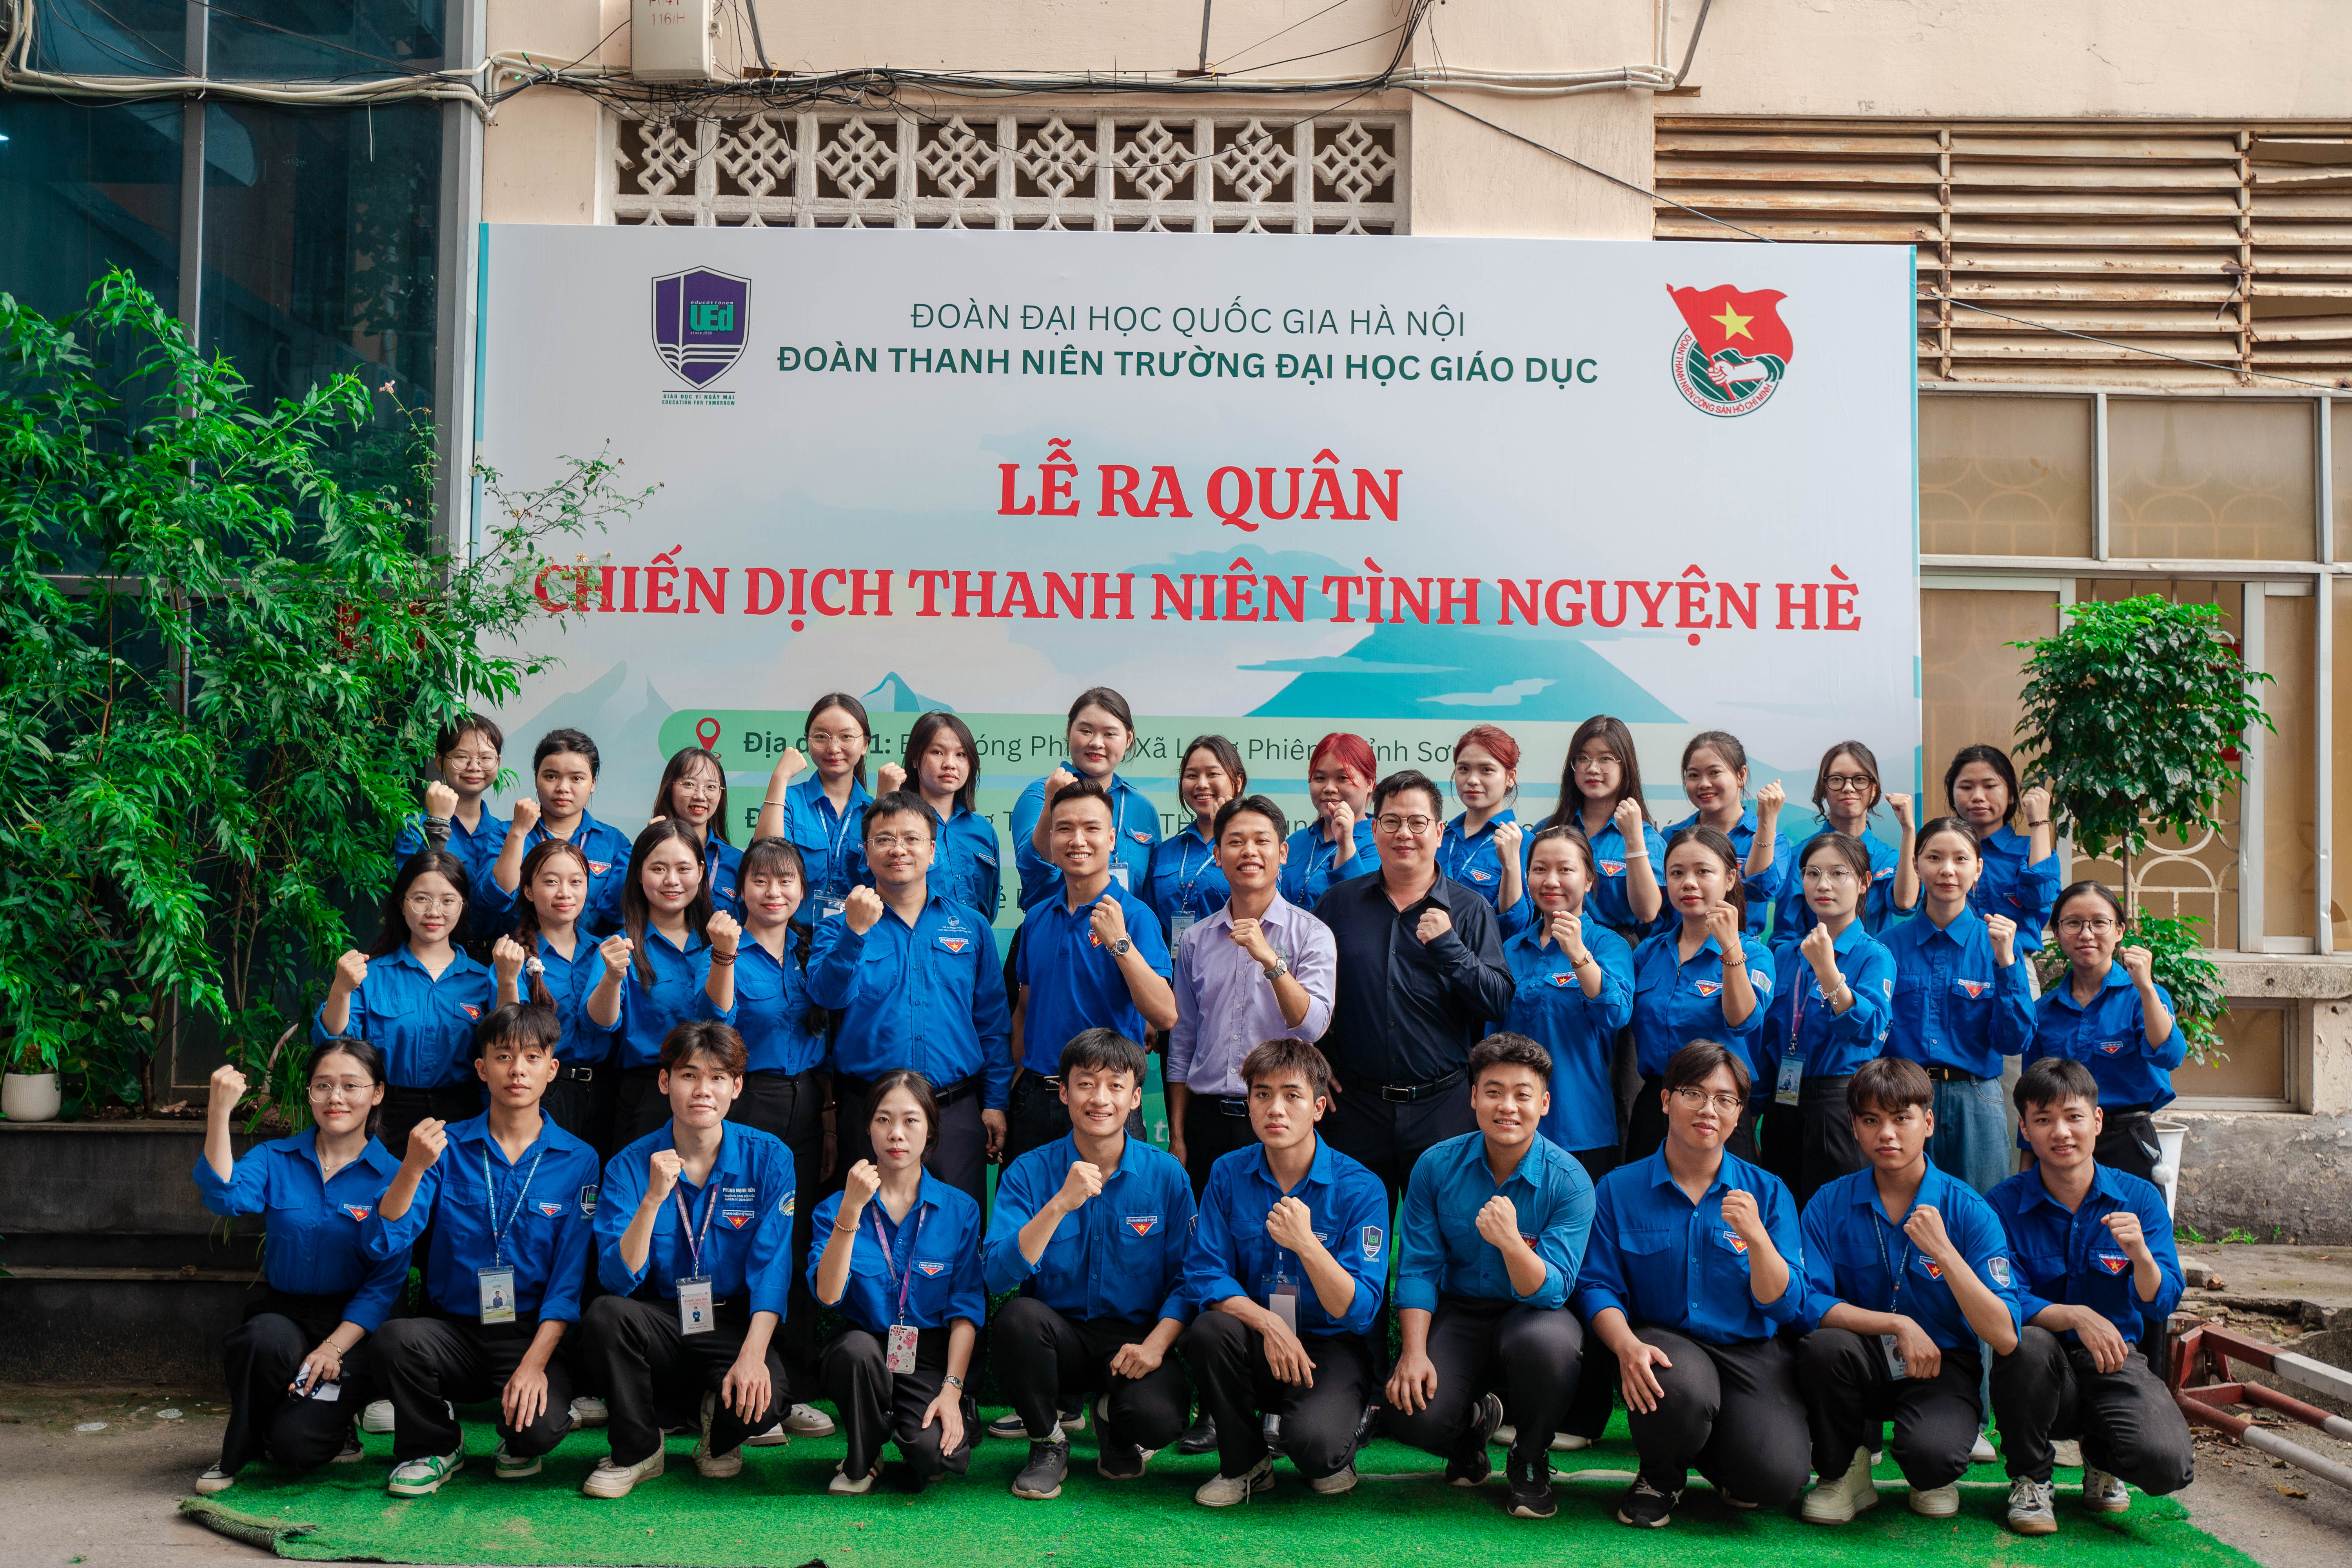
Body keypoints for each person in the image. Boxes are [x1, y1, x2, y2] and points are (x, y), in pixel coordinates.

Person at [361, 1003, 601, 1496]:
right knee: (394, 1340)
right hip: (455, 1330)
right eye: (504, 1056)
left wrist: (534, 1366)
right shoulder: (444, 1145)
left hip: (530, 1332)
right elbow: (387, 1237)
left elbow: (569, 1280)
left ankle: (516, 1436)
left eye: (532, 1057)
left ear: (552, 1069)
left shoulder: (579, 1159)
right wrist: (412, 1166)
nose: (518, 1070)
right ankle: (436, 1445)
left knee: (536, 1433)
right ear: (482, 1068)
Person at [1574, 1042, 1809, 1528]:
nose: (1709, 1110)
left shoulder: (1768, 1193)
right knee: (1680, 1387)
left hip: (1748, 1350)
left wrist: (1758, 1239)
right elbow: (1597, 1285)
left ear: (1740, 1113)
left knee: (1776, 1479)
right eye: (1694, 1094)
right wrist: (1626, 1346)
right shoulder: (1618, 1188)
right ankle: (1660, 1475)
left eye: (1725, 1099)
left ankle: (1715, 1451)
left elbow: (1787, 1306)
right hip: (1664, 1344)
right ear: (1666, 1100)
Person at [1793, 1057, 2022, 1525]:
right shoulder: (1828, 1203)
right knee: (1823, 1347)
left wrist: (1945, 1253)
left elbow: (2004, 1334)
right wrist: (1898, 1324)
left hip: (1942, 1364)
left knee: (1932, 1457)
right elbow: (1808, 1303)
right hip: (1861, 1357)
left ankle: (1931, 1474)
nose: (1887, 1134)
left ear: (1929, 1122)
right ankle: (1845, 1472)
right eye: (1871, 1120)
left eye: (1902, 1118)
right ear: (1854, 1127)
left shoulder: (1969, 1210)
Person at [574, 1020, 798, 1497]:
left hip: (732, 1323)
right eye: (689, 1075)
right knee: (606, 1315)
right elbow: (616, 1277)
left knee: (768, 1400)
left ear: (737, 1087)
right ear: (665, 1081)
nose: (703, 1090)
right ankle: (639, 1450)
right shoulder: (629, 1164)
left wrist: (753, 1357)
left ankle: (718, 1433)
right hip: (661, 1319)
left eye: (718, 1077)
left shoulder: (770, 1158)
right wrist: (653, 1199)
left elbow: (772, 1270)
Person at [1385, 1034, 1595, 1520]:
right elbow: (1418, 1268)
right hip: (1462, 1309)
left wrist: (1510, 1242)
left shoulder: (1570, 1181)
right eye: (1494, 1092)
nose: (1508, 1107)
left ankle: (1530, 1457)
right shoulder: (1435, 1166)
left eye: (1523, 1094)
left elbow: (1553, 1289)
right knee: (1410, 1412)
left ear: (1544, 1103)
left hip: (1534, 1313)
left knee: (1550, 1347)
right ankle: (1471, 1430)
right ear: (1474, 1096)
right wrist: (1413, 1352)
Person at [983, 1030, 1197, 1498]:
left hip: (1131, 1343)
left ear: (1135, 1097)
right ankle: (1047, 1441)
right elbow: (996, 1276)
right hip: (1057, 1340)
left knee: (1160, 1419)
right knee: (1017, 1319)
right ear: (1064, 1092)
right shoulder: (1029, 1172)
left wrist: (1155, 1346)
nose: (1100, 1099)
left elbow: (1188, 1279)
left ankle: (1113, 1426)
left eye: (1115, 1085)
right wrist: (1059, 1203)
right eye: (1086, 1084)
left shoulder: (1167, 1176)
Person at [1986, 1056, 2194, 1534]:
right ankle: (2031, 1479)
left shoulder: (2140, 1199)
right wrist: (2075, 1315)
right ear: (2025, 1129)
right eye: (2044, 1120)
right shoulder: (2002, 1204)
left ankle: (2102, 1457)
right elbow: (2004, 1298)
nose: (2061, 1132)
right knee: (2027, 1343)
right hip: (2040, 1368)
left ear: (2097, 1121)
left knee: (2168, 1465)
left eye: (2074, 1116)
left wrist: (2141, 1255)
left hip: (2115, 1359)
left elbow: (2162, 1300)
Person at [1179, 1039, 1390, 1506]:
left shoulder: (1362, 1188)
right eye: (1262, 1094)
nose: (1275, 1108)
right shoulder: (1227, 1173)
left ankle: (1332, 1441)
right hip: (1258, 1337)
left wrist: (1307, 1244)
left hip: (1330, 1345)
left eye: (1292, 1095)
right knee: (1210, 1330)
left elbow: (1358, 1310)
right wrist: (1269, 1323)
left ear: (1318, 1108)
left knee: (1317, 1450)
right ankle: (1245, 1463)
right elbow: (1204, 1273)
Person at [191, 1043, 407, 1494]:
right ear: (309, 1092)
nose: (335, 1098)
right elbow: (226, 1196)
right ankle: (237, 1452)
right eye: (323, 1085)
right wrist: (219, 1112)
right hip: (285, 1314)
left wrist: (332, 1348)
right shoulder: (275, 1157)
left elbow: (384, 1285)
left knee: (297, 1448)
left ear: (378, 1093)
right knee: (262, 1338)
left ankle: (331, 1422)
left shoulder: (394, 1176)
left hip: (350, 1327)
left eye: (351, 1086)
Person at [1312, 768, 1514, 1206]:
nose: (1404, 833)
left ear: (1439, 833)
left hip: (1443, 1110)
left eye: (1417, 822)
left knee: (1446, 1235)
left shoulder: (1470, 909)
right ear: (1374, 829)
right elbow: (1311, 993)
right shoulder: (1339, 904)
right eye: (1391, 821)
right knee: (1353, 1234)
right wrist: (1317, 1062)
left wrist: (1450, 948)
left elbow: (1498, 1001)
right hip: (1355, 1108)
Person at [807, 792, 1012, 1209]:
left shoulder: (972, 927)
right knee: (866, 1232)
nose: (898, 849)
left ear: (932, 851)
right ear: (866, 853)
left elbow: (991, 1022)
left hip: (955, 1112)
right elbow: (827, 997)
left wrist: (994, 1103)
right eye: (884, 839)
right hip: (869, 1113)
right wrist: (854, 934)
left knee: (959, 1230)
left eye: (912, 839)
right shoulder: (837, 927)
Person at [809, 1071, 984, 1494]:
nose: (896, 1134)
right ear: (868, 1128)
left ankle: (933, 1422)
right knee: (854, 1351)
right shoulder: (835, 1207)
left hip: (927, 1355)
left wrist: (951, 1390)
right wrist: (851, 1211)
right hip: (864, 1349)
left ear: (931, 1129)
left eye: (911, 1120)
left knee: (933, 1457)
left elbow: (965, 1312)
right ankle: (865, 1454)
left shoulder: (961, 1210)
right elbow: (828, 1295)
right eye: (884, 1120)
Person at [699, 837, 834, 1385]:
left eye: (785, 881)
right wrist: (724, 956)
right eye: (760, 880)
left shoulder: (812, 951)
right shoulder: (726, 948)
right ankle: (727, 1367)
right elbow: (717, 1017)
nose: (773, 891)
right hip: (750, 1100)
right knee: (741, 1231)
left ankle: (791, 1377)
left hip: (810, 1103)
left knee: (796, 1235)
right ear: (739, 890)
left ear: (803, 890)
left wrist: (828, 1118)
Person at [1167, 795, 1338, 1193]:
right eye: (1236, 841)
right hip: (1207, 1119)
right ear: (1217, 855)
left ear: (1283, 853)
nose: (1249, 851)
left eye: (1262, 841)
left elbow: (1312, 1027)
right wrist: (1177, 1134)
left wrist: (1270, 960)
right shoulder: (1195, 940)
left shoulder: (1312, 934)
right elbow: (1183, 1042)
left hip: (1280, 1116)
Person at [1007, 778, 1175, 1167]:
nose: (1078, 840)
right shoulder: (1036, 919)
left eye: (1091, 828)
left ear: (1112, 839)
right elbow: (1024, 1012)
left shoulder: (1135, 916)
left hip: (1106, 1103)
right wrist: (1009, 1092)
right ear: (1052, 840)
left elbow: (1165, 1015)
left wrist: (1120, 943)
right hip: (1037, 1101)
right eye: (1065, 829)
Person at [1881, 817, 2035, 1196]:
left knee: (1980, 1212)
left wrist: (2006, 964)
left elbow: (2014, 1041)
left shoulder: (2000, 943)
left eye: (1961, 859)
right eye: (1934, 858)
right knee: (1905, 1209)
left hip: (1976, 1100)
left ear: (1978, 868)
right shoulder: (1887, 946)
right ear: (1916, 865)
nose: (1947, 870)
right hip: (1903, 1101)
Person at [315, 849, 497, 1158]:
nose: (434, 912)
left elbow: (503, 1050)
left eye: (448, 900)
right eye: (421, 899)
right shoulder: (370, 975)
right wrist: (341, 990)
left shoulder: (483, 981)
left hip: (462, 1115)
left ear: (463, 906)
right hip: (385, 1115)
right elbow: (334, 1044)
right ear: (402, 903)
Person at [1760, 832, 1898, 1209]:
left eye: (1838, 874)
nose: (1823, 885)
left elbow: (1867, 1030)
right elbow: (1767, 1036)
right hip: (1783, 1098)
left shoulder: (1874, 956)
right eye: (1813, 873)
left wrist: (1827, 969)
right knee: (1781, 1212)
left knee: (1837, 1214)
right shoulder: (1785, 954)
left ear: (1865, 883)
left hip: (1841, 1102)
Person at [1624, 827, 1772, 1163]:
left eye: (1703, 872)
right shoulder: (1649, 952)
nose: (1688, 883)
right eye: (1677, 873)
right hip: (1657, 1103)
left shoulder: (1754, 954)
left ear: (1730, 879)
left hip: (1718, 1105)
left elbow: (1742, 1021)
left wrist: (1730, 949)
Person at [1502, 825, 1635, 1183]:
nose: (1551, 881)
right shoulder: (1512, 948)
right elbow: (1492, 1034)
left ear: (1589, 880)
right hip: (1512, 1121)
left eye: (1565, 870)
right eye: (1540, 869)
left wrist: (1578, 954)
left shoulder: (1608, 944)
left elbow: (1616, 1014)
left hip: (1580, 1124)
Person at [2031, 882, 2182, 1184]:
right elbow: (2033, 1097)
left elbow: (2170, 1056)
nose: (2086, 934)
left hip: (2129, 1142)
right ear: (2057, 932)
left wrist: (2146, 987)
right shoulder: (2043, 1011)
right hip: (2062, 1144)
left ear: (2119, 931)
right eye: (2073, 923)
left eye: (2100, 923)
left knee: (2135, 1216)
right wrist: (2027, 1170)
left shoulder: (2144, 997)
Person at [490, 840, 615, 1151]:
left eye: (576, 882)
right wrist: (507, 978)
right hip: (542, 1092)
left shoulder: (604, 952)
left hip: (605, 1090)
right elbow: (508, 1033)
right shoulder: (513, 955)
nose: (564, 893)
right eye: (551, 882)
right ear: (529, 891)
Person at [603, 820, 716, 1149]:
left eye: (684, 868)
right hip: (646, 1093)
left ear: (701, 871)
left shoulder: (719, 942)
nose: (672, 880)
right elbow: (601, 1023)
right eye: (658, 868)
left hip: (712, 1091)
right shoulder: (621, 946)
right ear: (639, 873)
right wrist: (612, 977)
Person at [1008, 688, 1161, 910]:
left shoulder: (1142, 808)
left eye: (1110, 734)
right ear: (1069, 731)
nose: (1097, 743)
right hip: (1056, 926)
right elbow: (1032, 870)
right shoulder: (1040, 794)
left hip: (1125, 929)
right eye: (1086, 731)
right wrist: (1052, 802)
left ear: (1129, 739)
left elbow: (1152, 894)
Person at [485, 728, 633, 938]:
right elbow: (493, 902)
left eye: (576, 778)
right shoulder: (506, 834)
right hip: (517, 954)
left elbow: (622, 914)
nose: (563, 788)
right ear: (537, 778)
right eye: (551, 776)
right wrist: (518, 833)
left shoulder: (614, 843)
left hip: (592, 957)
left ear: (593, 783)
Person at [1771, 741, 1918, 939]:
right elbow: (1785, 936)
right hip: (1811, 958)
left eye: (1860, 779)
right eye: (1837, 780)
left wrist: (1908, 829)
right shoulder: (1800, 856)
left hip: (1873, 959)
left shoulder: (1888, 858)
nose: (1849, 788)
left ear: (1874, 789)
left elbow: (1906, 904)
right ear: (1824, 789)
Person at [1542, 714, 1665, 937]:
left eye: (1606, 759)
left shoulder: (1646, 837)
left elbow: (1647, 913)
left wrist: (1633, 839)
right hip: (1553, 944)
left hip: (1619, 950)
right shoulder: (1549, 831)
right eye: (1583, 758)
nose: (1593, 768)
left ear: (1625, 766)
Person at [753, 694, 873, 916]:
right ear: (808, 743)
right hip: (793, 933)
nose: (833, 748)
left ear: (865, 744)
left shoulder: (874, 812)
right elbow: (765, 862)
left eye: (846, 737)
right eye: (821, 737)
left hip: (857, 931)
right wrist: (779, 778)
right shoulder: (787, 801)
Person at [874, 711, 1001, 920]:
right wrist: (884, 803)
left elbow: (990, 906)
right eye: (938, 752)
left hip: (976, 939)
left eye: (961, 754)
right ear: (915, 760)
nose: (950, 764)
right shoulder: (894, 823)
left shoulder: (983, 830)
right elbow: (868, 880)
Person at [398, 712, 510, 949]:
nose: (474, 767)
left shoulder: (505, 833)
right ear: (440, 760)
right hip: (434, 951)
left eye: (486, 758)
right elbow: (415, 892)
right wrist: (437, 822)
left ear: (498, 763)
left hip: (496, 957)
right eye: (461, 757)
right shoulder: (415, 827)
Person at [1661, 731, 1787, 941]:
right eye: (1693, 775)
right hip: (1680, 950)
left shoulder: (1773, 840)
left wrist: (1766, 821)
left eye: (1715, 773)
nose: (1704, 784)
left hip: (1741, 948)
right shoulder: (1671, 837)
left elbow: (1759, 890)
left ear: (1741, 776)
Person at [1946, 744, 2060, 954]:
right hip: (1953, 958)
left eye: (1990, 786)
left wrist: (2040, 823)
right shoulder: (1941, 850)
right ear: (1953, 796)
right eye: (1966, 787)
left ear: (2011, 796)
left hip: (2015, 959)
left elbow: (2040, 897)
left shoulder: (2029, 850)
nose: (1978, 796)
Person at [1140, 735, 1243, 942]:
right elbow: (1149, 924)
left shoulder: (1255, 849)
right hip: (1173, 962)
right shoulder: (1164, 853)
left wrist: (1229, 830)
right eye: (1192, 776)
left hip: (1235, 960)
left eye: (1213, 774)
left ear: (1238, 782)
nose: (1202, 784)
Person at [1437, 724, 1526, 924]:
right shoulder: (1439, 837)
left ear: (1511, 777)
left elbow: (1516, 928)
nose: (1472, 780)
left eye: (1486, 770)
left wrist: (1510, 865)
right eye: (1464, 769)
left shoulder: (1526, 844)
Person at [1280, 732, 1381, 907]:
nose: (1329, 788)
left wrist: (1346, 844)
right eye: (1320, 778)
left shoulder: (1379, 844)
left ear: (1370, 783)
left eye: (1343, 778)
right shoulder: (1296, 841)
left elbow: (1361, 908)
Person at [650, 744, 742, 921]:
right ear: (670, 788)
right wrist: (646, 849)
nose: (700, 796)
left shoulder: (737, 862)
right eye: (689, 784)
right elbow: (611, 909)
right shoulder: (642, 853)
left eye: (711, 787)